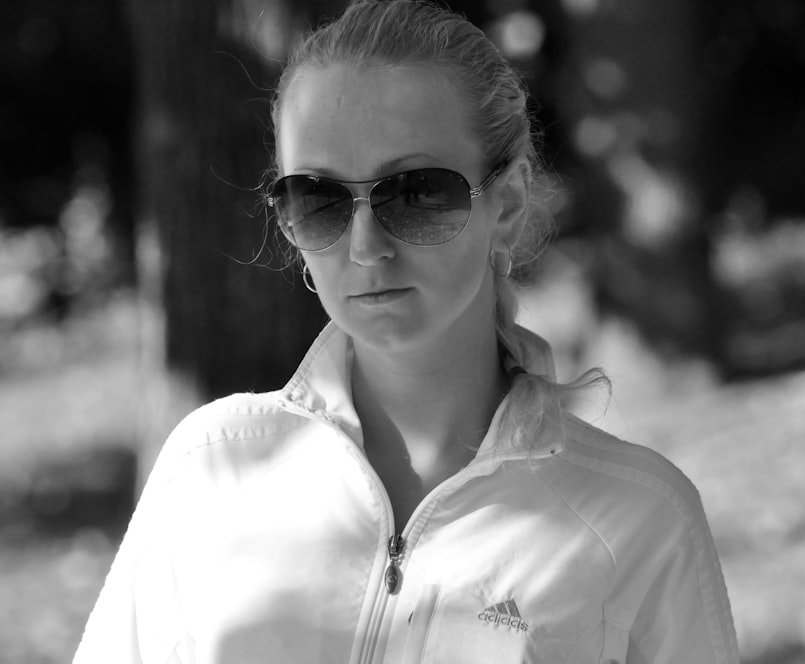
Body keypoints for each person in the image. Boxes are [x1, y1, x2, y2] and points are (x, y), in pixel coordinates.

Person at [75, 1, 739, 662]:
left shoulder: (641, 523)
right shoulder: (212, 468)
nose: (366, 248)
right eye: (319, 200)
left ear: (506, 203)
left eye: (417, 193)